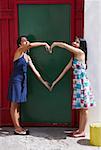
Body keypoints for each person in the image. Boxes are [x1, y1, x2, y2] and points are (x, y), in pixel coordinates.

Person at [50, 37, 95, 137]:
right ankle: (80, 130)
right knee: (81, 109)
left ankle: (82, 131)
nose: (74, 43)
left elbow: (65, 46)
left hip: (82, 83)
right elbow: (66, 69)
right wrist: (55, 81)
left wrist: (55, 43)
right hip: (78, 84)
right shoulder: (75, 56)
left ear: (81, 45)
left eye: (77, 42)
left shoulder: (80, 53)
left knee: (84, 108)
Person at [8, 36, 50, 135]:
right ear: (19, 45)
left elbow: (35, 70)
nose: (26, 42)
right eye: (23, 41)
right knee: (14, 104)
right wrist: (44, 43)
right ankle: (17, 128)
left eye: (27, 40)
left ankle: (18, 127)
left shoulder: (27, 57)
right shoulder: (18, 52)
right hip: (16, 81)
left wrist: (43, 81)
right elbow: (30, 45)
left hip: (23, 81)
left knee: (18, 104)